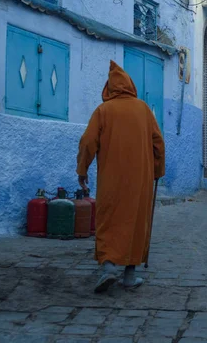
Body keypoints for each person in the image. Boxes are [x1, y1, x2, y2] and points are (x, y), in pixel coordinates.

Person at [77, 60, 165, 293]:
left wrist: (82, 170)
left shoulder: (103, 111)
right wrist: (157, 171)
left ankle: (108, 268)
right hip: (140, 180)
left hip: (111, 180)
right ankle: (129, 275)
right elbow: (159, 144)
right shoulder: (144, 110)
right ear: (130, 86)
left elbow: (87, 142)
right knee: (136, 221)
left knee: (109, 219)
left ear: (109, 89)